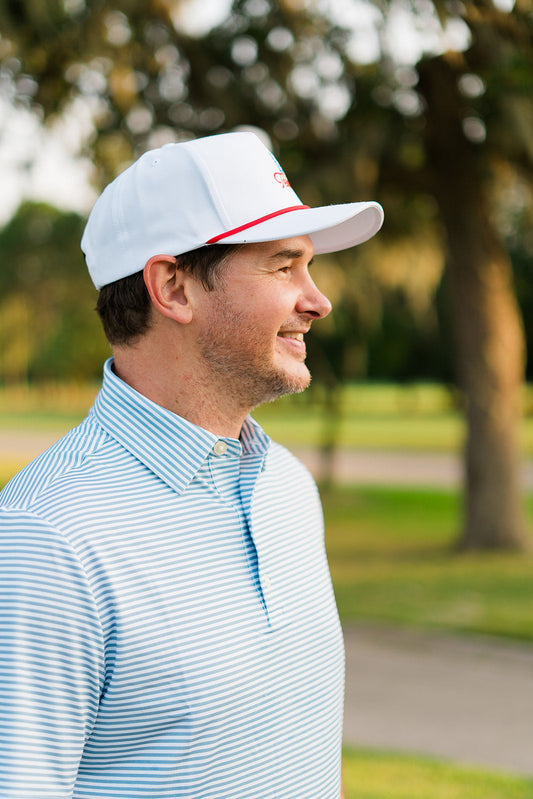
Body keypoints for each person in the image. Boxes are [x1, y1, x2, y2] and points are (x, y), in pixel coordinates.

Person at [0, 131, 383, 798]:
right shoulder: (45, 540)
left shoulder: (287, 487)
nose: (317, 300)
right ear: (173, 287)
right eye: (282, 266)